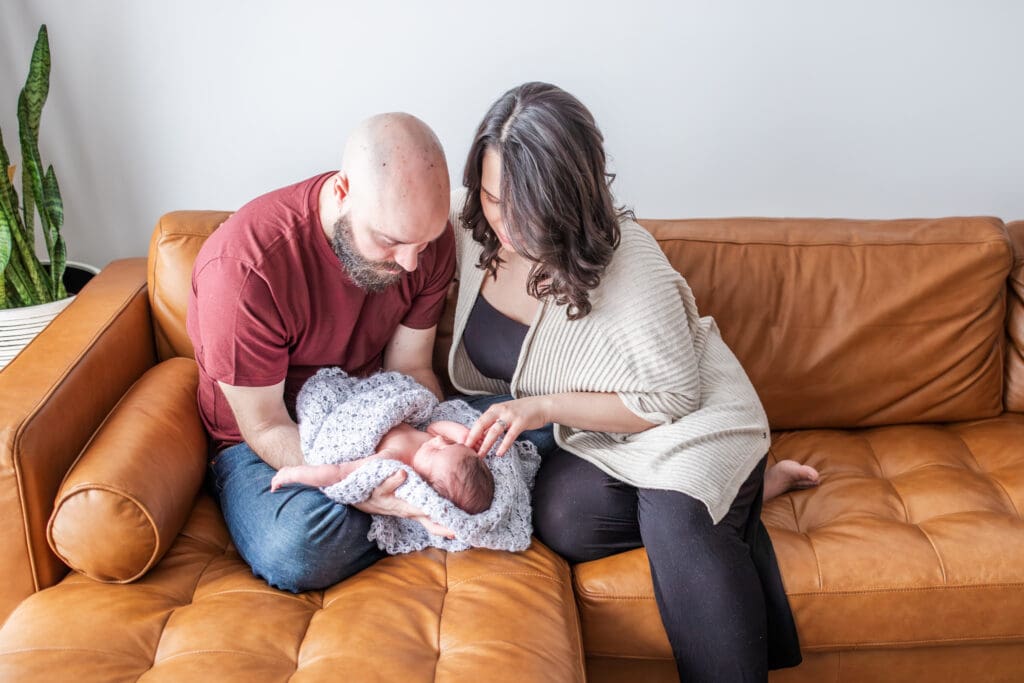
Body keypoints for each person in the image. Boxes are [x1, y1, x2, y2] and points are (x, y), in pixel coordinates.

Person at [447, 82, 805, 681]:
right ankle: (746, 497)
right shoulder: (473, 243)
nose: (503, 224)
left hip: (690, 417)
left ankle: (723, 490)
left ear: (565, 197)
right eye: (489, 198)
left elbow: (673, 396)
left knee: (677, 511)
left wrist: (539, 407)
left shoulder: (626, 259)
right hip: (601, 437)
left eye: (523, 206)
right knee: (563, 518)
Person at [186, 113, 456, 592]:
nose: (412, 263)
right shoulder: (245, 270)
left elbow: (410, 367)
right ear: (343, 191)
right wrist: (358, 481)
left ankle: (418, 511)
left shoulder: (423, 242)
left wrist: (426, 447)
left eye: (425, 243)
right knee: (299, 546)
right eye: (391, 242)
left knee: (514, 437)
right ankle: (427, 517)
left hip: (378, 411)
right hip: (268, 444)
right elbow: (265, 425)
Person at [271, 419, 494, 516]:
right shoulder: (431, 442)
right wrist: (463, 436)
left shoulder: (396, 462)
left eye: (438, 450)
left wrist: (294, 472)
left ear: (425, 482)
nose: (438, 441)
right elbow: (435, 427)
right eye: (449, 444)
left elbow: (340, 472)